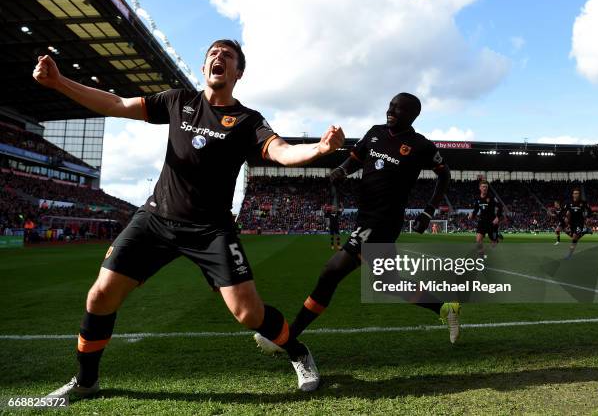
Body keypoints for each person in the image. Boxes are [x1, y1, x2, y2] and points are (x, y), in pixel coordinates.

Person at [33, 39, 344, 395]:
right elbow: (117, 103)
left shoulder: (248, 121)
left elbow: (282, 152)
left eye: (228, 56)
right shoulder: (178, 100)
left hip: (211, 230)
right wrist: (59, 83)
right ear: (203, 67)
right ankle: (86, 381)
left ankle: (298, 351)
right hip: (156, 219)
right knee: (100, 296)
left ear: (238, 72)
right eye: (213, 53)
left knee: (248, 314)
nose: (218, 58)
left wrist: (320, 149)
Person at [254, 93, 460, 374]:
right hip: (365, 217)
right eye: (389, 105)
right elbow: (355, 158)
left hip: (382, 222)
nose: (390, 110)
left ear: (412, 114)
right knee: (389, 281)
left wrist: (428, 211)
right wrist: (341, 170)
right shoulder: (375, 134)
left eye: (397, 108)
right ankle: (445, 308)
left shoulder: (420, 145)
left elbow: (445, 174)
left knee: (331, 272)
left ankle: (285, 337)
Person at [468, 180, 503, 257]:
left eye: (486, 187)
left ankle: (497, 238)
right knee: (478, 240)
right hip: (482, 221)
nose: (485, 188)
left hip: (492, 222)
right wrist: (472, 215)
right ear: (480, 188)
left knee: (494, 244)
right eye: (483, 187)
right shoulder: (477, 198)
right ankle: (481, 255)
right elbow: (476, 209)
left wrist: (497, 217)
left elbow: (500, 207)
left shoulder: (491, 197)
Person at [563, 188, 592, 259]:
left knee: (574, 238)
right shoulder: (568, 203)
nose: (576, 195)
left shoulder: (583, 203)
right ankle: (585, 231)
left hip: (579, 223)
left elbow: (590, 211)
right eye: (575, 193)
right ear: (572, 195)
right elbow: (564, 211)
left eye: (577, 193)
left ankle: (569, 255)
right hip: (571, 223)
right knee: (572, 236)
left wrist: (588, 217)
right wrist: (565, 217)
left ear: (579, 195)